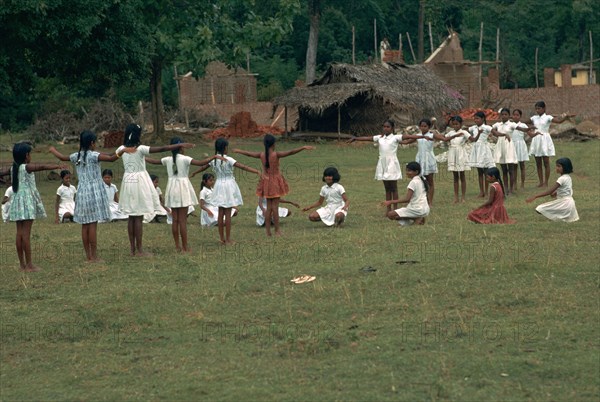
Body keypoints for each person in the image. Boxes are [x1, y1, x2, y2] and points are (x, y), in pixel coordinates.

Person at [116, 123, 194, 256]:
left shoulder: (121, 148)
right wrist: (178, 145)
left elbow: (114, 156)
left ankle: (132, 249)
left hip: (128, 180)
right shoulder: (140, 149)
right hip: (139, 181)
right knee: (138, 216)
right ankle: (139, 250)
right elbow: (161, 148)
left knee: (131, 216)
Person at [50, 131, 124, 262]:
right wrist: (122, 149)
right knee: (93, 224)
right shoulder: (94, 156)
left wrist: (52, 150)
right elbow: (112, 158)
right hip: (94, 192)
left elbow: (62, 157)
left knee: (85, 225)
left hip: (82, 191)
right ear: (92, 143)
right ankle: (94, 256)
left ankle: (88, 256)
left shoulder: (76, 156)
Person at [145, 137, 223, 252]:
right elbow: (200, 162)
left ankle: (177, 246)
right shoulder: (185, 159)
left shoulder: (168, 159)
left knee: (175, 220)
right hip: (182, 189)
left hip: (172, 188)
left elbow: (153, 161)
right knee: (182, 220)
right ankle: (185, 247)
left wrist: (140, 156)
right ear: (181, 147)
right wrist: (214, 156)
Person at [233, 134, 314, 236]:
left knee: (269, 208)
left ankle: (268, 232)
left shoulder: (261, 155)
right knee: (275, 208)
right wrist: (302, 147)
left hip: (265, 182)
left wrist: (239, 151)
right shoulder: (276, 154)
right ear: (273, 144)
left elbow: (249, 154)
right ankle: (277, 231)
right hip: (275, 181)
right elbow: (290, 152)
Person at [4, 142, 63, 271]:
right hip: (26, 202)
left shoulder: (13, 168)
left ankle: (22, 265)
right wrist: (57, 166)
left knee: (19, 233)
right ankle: (30, 264)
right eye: (30, 154)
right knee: (26, 234)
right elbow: (41, 166)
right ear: (26, 156)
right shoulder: (25, 167)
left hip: (16, 202)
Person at [347, 119, 408, 213]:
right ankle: (388, 209)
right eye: (384, 127)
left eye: (388, 127)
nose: (386, 128)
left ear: (392, 128)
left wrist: (421, 136)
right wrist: (356, 138)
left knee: (394, 188)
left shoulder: (396, 137)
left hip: (392, 163)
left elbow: (410, 136)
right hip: (382, 164)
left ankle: (395, 209)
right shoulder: (380, 137)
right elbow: (368, 138)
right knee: (387, 188)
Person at [210, 137, 260, 244]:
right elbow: (243, 167)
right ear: (225, 148)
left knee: (220, 212)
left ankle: (221, 239)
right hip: (228, 185)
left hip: (218, 185)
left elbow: (202, 166)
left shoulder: (213, 160)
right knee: (227, 214)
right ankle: (228, 239)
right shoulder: (229, 159)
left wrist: (194, 173)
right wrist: (256, 171)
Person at [518, 101, 575, 187]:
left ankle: (546, 182)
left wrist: (565, 117)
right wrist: (515, 119)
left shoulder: (548, 117)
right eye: (536, 109)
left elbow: (558, 121)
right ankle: (541, 182)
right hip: (536, 139)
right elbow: (523, 122)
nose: (537, 110)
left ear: (544, 108)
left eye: (539, 108)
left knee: (546, 162)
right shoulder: (534, 118)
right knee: (538, 162)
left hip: (544, 139)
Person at [402, 118, 446, 205]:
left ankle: (430, 201)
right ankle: (423, 199)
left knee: (430, 181)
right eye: (421, 126)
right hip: (420, 159)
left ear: (429, 127)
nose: (423, 128)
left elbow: (443, 138)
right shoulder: (418, 136)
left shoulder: (431, 135)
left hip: (429, 158)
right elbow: (407, 142)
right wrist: (396, 140)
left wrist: (436, 133)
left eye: (425, 126)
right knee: (420, 179)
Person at [526, 157, 579, 222]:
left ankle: (560, 215)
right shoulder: (568, 177)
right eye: (556, 166)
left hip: (564, 202)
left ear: (565, 167)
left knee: (539, 209)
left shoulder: (561, 179)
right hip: (570, 203)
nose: (557, 168)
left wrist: (535, 196)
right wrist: (556, 193)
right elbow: (565, 189)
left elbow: (550, 191)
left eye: (559, 166)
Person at [381, 161, 429, 225]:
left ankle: (416, 218)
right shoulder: (422, 180)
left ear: (416, 172)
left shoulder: (413, 182)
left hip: (417, 209)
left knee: (390, 215)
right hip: (425, 209)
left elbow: (407, 199)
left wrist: (390, 202)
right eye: (406, 170)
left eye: (409, 171)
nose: (407, 173)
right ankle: (417, 218)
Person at [467, 111, 495, 197]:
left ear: (483, 119)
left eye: (477, 118)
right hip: (476, 149)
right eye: (474, 119)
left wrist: (503, 134)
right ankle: (481, 191)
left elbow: (494, 131)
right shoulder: (473, 128)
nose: (476, 120)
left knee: (486, 172)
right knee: (479, 172)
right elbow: (466, 130)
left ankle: (486, 191)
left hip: (483, 150)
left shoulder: (486, 127)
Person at [491, 108, 518, 195]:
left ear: (509, 115)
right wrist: (504, 134)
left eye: (506, 114)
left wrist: (529, 128)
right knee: (503, 170)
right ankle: (505, 188)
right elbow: (494, 132)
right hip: (501, 146)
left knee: (511, 169)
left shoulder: (511, 124)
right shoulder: (498, 125)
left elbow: (520, 128)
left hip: (509, 146)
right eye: (502, 114)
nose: (504, 116)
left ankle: (511, 189)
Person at [444, 116, 471, 203]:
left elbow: (471, 139)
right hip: (453, 153)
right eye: (454, 124)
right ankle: (456, 197)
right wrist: (455, 135)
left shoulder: (464, 132)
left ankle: (463, 197)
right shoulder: (450, 133)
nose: (455, 126)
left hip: (461, 154)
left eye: (457, 124)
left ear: (461, 124)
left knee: (462, 175)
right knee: (455, 176)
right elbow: (445, 139)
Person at [510, 109, 530, 190]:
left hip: (521, 145)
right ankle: (514, 184)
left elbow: (529, 133)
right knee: (514, 166)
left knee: (522, 165)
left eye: (517, 115)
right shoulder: (510, 125)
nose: (515, 116)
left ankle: (522, 184)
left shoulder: (523, 125)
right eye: (514, 115)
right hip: (512, 145)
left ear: (520, 116)